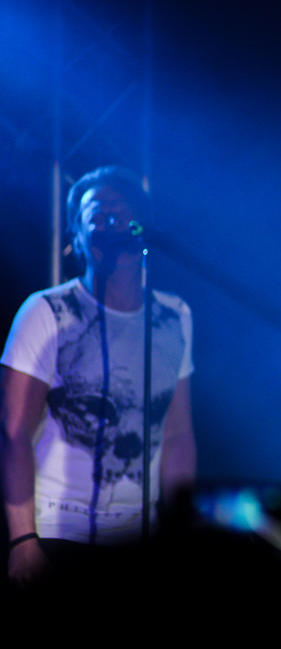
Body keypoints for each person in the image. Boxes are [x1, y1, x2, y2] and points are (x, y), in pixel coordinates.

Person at [1, 165, 196, 585]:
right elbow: (14, 432)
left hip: (142, 537)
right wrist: (22, 541)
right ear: (75, 238)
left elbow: (178, 433)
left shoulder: (172, 316)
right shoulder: (47, 312)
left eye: (124, 214)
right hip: (57, 534)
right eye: (98, 215)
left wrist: (180, 531)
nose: (113, 222)